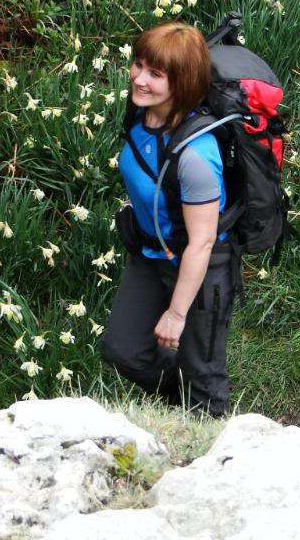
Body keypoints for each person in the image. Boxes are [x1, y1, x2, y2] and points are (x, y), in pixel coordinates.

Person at [100, 21, 239, 417]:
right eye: (138, 65)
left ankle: (210, 435)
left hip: (201, 267)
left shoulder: (197, 156)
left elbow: (203, 241)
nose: (139, 79)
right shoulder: (140, 117)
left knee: (204, 379)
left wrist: (177, 315)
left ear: (182, 83)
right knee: (122, 350)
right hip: (151, 254)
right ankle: (181, 405)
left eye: (155, 74)